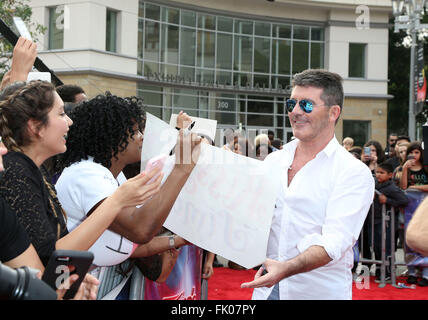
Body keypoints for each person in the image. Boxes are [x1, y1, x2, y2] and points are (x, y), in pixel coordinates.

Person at [240, 69, 374, 300]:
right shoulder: (273, 162)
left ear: (334, 112)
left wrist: (285, 269)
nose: (295, 112)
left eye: (307, 105)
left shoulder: (352, 173)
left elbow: (333, 244)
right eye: (291, 104)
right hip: (265, 290)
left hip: (316, 292)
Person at [0, 81, 163, 267]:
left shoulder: (32, 170)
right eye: (61, 114)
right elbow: (49, 258)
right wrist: (117, 201)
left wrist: (75, 282)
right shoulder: (15, 172)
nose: (69, 121)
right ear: (35, 127)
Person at [54, 93, 201, 299]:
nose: (142, 137)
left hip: (96, 282)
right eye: (134, 132)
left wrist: (177, 240)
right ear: (111, 138)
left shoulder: (113, 174)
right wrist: (182, 169)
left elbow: (128, 246)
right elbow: (139, 230)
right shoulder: (86, 174)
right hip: (76, 285)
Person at [398, 141, 428, 286]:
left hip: (424, 210)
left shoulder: (426, 168)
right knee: (409, 241)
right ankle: (411, 272)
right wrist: (404, 170)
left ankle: (426, 273)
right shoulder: (403, 168)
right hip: (408, 210)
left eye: (417, 152)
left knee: (424, 239)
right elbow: (403, 187)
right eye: (412, 153)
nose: (414, 155)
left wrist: (417, 187)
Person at [372, 162, 408, 282]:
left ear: (390, 175)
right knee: (376, 247)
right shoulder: (374, 184)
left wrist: (387, 200)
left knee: (386, 247)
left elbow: (404, 200)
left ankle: (387, 272)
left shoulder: (392, 187)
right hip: (375, 220)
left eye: (382, 173)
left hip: (387, 222)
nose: (378, 175)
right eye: (377, 172)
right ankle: (379, 270)